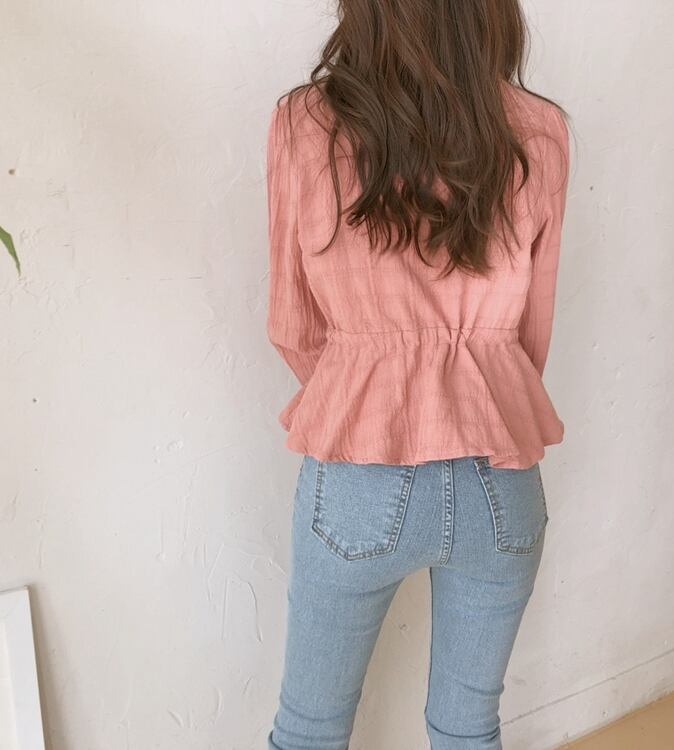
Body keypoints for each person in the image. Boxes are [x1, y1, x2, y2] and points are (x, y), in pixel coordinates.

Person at [264, 1, 570, 748]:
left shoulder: (306, 123)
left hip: (359, 476)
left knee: (308, 731)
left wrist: (363, 388)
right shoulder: (539, 129)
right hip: (501, 474)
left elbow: (293, 325)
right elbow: (531, 338)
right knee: (468, 730)